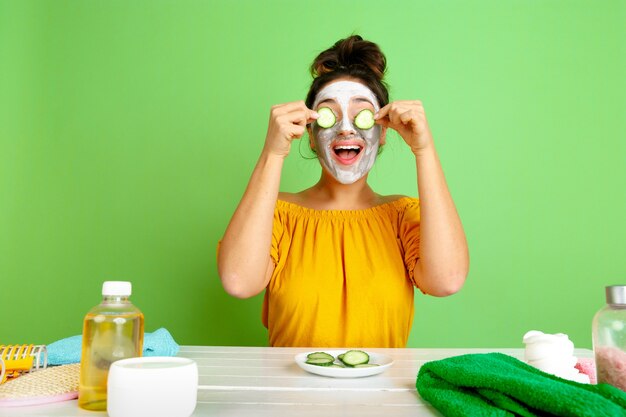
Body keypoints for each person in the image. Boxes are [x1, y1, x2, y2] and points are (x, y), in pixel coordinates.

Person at [217, 35, 469, 348]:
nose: (346, 129)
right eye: (329, 114)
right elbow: (239, 282)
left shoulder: (403, 218)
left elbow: (447, 280)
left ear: (383, 131)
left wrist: (424, 149)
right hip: (290, 396)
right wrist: (272, 152)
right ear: (310, 134)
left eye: (361, 114)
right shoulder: (276, 214)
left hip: (382, 395)